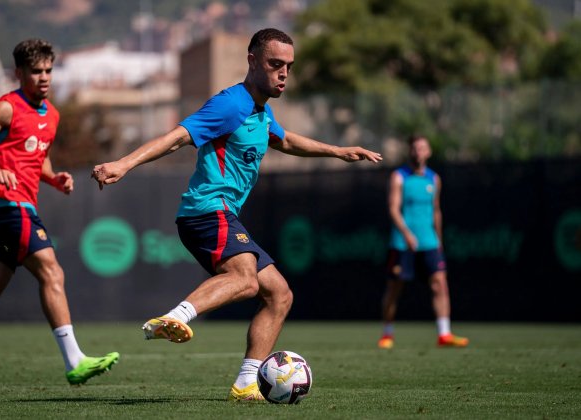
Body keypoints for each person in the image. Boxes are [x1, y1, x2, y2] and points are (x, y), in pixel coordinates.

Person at [92, 28, 382, 401]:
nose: (283, 74)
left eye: (289, 67)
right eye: (275, 64)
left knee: (279, 295)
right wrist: (124, 163)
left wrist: (338, 151)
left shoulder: (261, 111)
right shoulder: (231, 104)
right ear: (252, 61)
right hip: (206, 211)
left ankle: (246, 384)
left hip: (223, 215)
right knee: (245, 279)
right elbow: (178, 136)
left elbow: (286, 140)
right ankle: (176, 317)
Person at [0, 39, 119, 384]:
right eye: (36, 71)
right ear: (19, 73)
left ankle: (74, 359)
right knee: (51, 271)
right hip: (7, 204)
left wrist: (54, 178)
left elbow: (38, 159)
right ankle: (75, 361)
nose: (44, 77)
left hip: (17, 205)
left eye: (48, 70)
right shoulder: (5, 107)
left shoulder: (52, 115)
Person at [377, 134, 468, 349]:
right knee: (394, 288)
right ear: (410, 151)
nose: (419, 152)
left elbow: (436, 210)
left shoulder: (434, 179)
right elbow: (393, 208)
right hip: (402, 243)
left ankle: (444, 334)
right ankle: (387, 333)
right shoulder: (399, 177)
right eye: (415, 148)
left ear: (428, 152)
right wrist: (407, 233)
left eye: (422, 148)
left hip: (429, 242)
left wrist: (438, 239)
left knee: (440, 285)